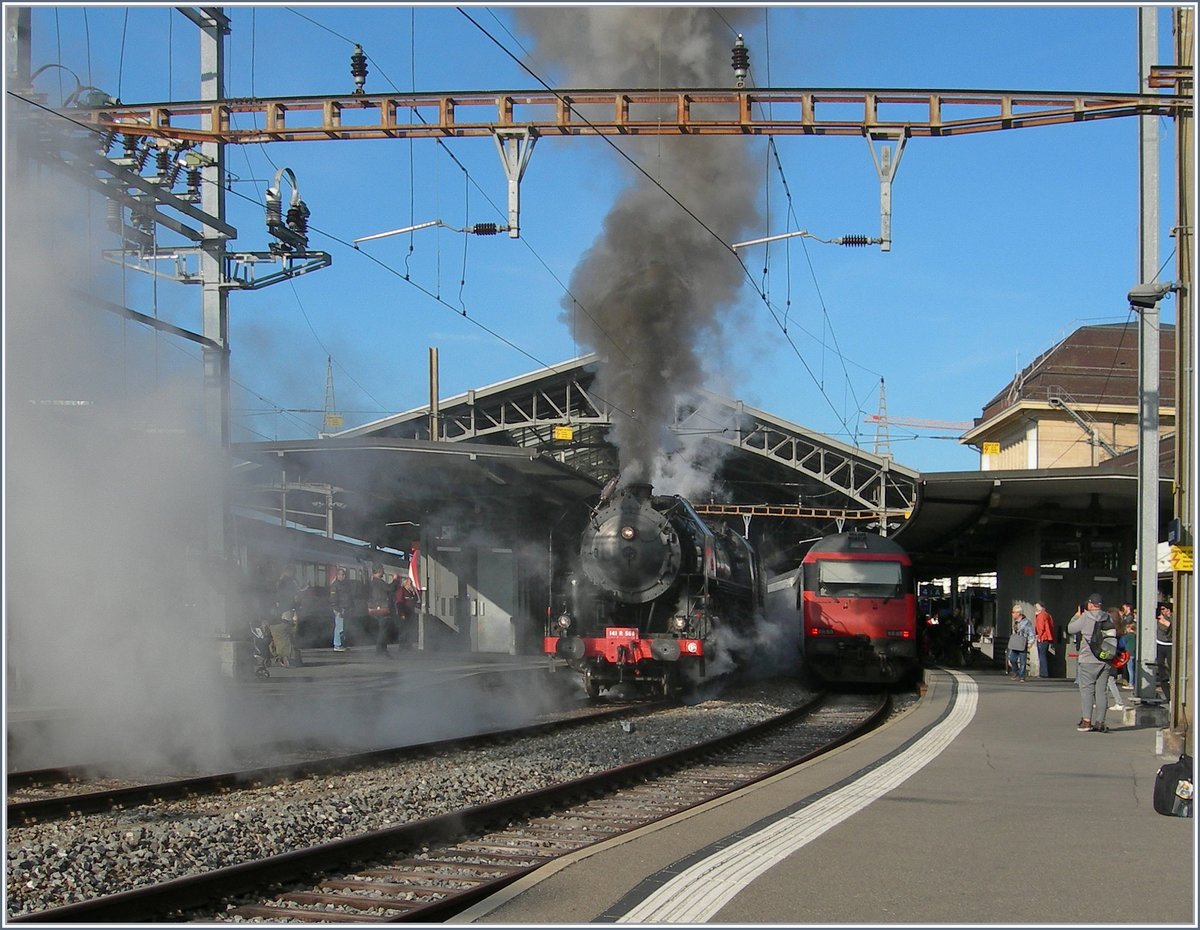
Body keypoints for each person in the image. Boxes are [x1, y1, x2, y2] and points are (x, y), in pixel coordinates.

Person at [1067, 592, 1117, 732]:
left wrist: (1076, 616)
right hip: (1105, 659)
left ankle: (1086, 721)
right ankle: (1100, 721)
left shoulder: (1085, 617)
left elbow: (1070, 629)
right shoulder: (1108, 618)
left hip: (1087, 659)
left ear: (1089, 604)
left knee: (1087, 690)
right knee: (1102, 691)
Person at [369, 565, 396, 658]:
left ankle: (382, 650)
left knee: (382, 629)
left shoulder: (372, 582)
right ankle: (380, 650)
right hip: (381, 608)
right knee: (383, 630)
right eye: (383, 570)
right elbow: (390, 588)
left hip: (376, 608)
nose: (384, 572)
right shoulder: (378, 582)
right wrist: (395, 580)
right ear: (379, 571)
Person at [1007, 605, 1035, 681]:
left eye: (1013, 612)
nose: (1012, 614)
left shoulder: (1026, 623)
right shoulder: (1015, 622)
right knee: (1012, 659)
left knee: (1023, 661)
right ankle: (1015, 671)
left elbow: (1031, 632)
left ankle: (1022, 676)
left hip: (1022, 642)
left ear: (1018, 613)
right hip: (1015, 642)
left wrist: (1031, 642)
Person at [329, 566, 353, 652]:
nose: (342, 576)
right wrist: (336, 608)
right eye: (341, 575)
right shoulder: (335, 585)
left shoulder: (345, 585)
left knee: (344, 627)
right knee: (339, 627)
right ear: (337, 575)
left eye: (343, 575)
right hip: (340, 608)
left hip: (346, 607)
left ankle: (342, 644)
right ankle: (337, 644)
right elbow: (333, 598)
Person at [395, 576, 420, 650]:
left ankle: (408, 644)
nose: (411, 584)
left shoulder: (410, 591)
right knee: (403, 629)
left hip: (410, 612)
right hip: (404, 612)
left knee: (409, 629)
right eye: (410, 583)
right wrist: (402, 613)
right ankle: (402, 646)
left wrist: (414, 591)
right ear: (405, 583)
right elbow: (399, 602)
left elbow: (416, 599)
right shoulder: (401, 590)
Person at [1033, 601, 1055, 678]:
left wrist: (1039, 636)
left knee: (1041, 656)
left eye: (1037, 607)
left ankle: (1043, 673)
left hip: (1042, 638)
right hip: (1047, 637)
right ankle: (1044, 672)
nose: (1036, 608)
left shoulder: (1041, 615)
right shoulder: (1048, 615)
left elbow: (1041, 627)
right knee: (1043, 655)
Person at [1156, 604, 1173, 701]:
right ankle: (1168, 696)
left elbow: (1169, 628)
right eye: (1162, 609)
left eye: (1166, 609)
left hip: (1170, 644)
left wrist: (1166, 619)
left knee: (1171, 667)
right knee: (1161, 666)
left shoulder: (1173, 618)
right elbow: (1164, 629)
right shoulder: (1159, 619)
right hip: (1160, 644)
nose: (1164, 611)